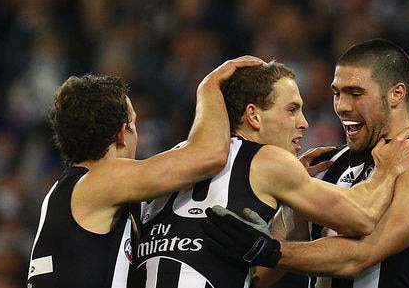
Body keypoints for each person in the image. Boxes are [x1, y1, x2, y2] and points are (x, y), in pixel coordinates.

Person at [131, 60, 409, 288]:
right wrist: (387, 170)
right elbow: (361, 217)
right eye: (292, 109)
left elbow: (252, 279)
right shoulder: (268, 161)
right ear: (253, 115)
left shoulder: (171, 161)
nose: (304, 123)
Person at [203, 39, 409, 288]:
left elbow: (357, 258)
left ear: (396, 93)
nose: (342, 106)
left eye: (356, 93)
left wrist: (267, 249)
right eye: (337, 93)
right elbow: (259, 277)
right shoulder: (323, 165)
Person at [26, 55, 267, 288]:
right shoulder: (101, 181)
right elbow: (210, 154)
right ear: (122, 133)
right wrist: (209, 87)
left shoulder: (70, 192)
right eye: (134, 124)